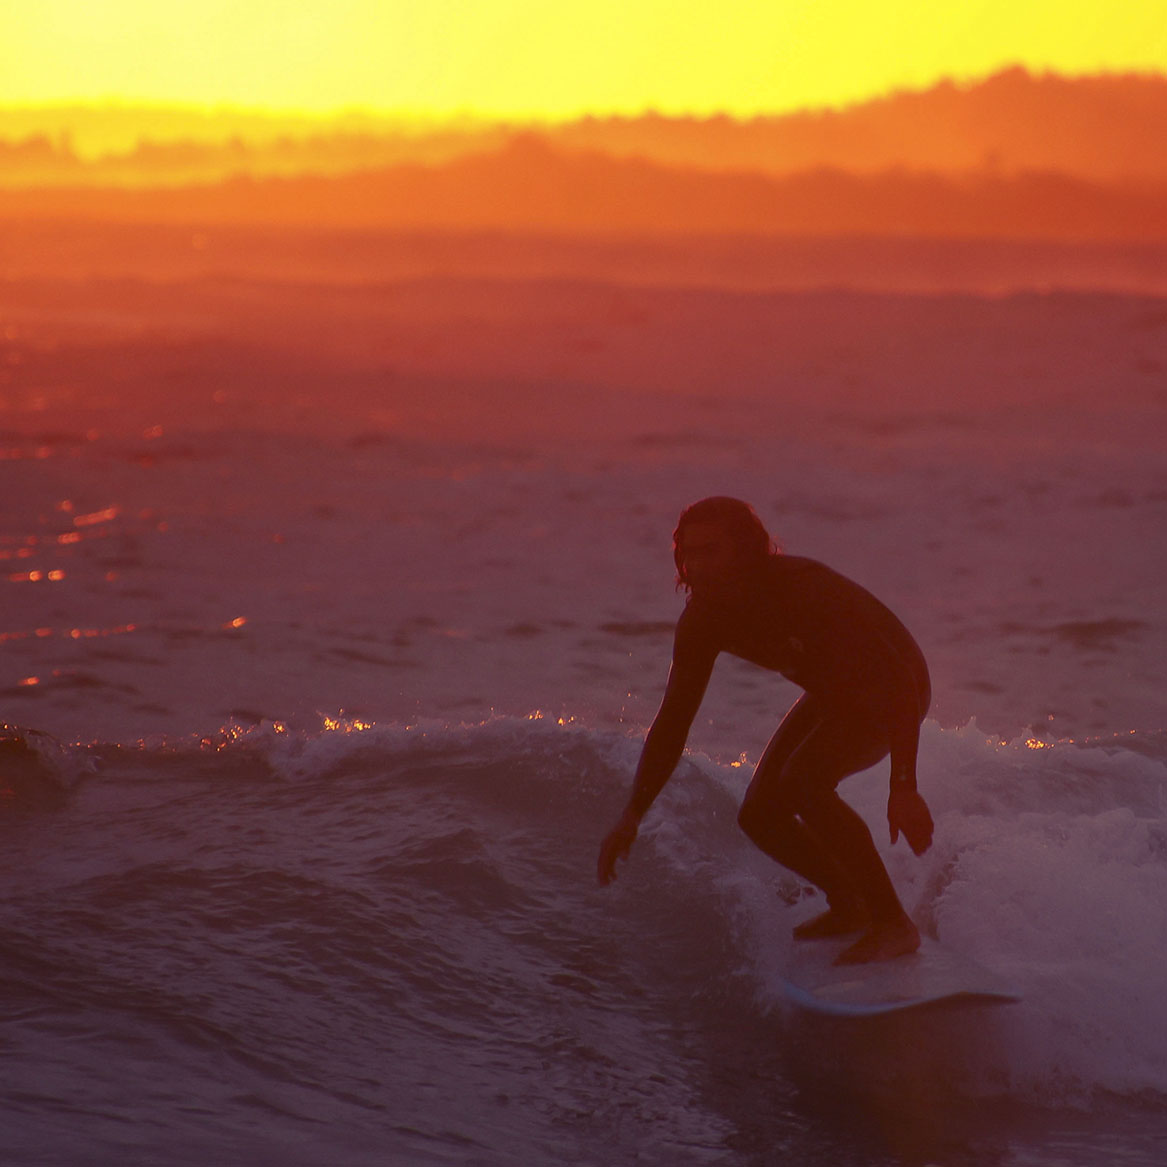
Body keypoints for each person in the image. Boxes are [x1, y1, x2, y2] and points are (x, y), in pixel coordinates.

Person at [596, 497, 934, 964]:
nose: (697, 567)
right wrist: (633, 812)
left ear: (746, 549)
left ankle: (893, 923)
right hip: (833, 694)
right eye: (688, 554)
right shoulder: (704, 620)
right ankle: (851, 903)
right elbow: (674, 719)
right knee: (759, 814)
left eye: (711, 551)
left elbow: (897, 682)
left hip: (896, 687)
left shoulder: (804, 588)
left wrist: (904, 787)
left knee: (803, 784)